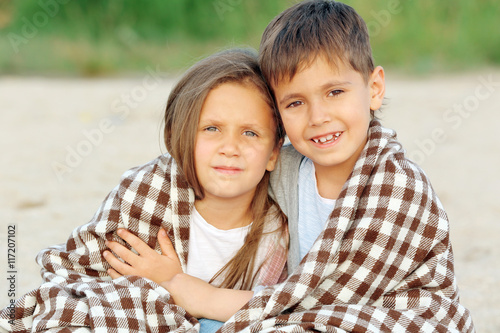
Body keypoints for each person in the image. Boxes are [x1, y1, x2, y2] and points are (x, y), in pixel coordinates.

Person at [155, 1, 476, 332]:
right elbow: (214, 179)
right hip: (306, 318)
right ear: (278, 115)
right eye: (295, 103)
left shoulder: (399, 187)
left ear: (374, 89)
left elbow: (326, 301)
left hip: (392, 316)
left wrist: (199, 295)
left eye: (335, 92)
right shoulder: (288, 169)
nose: (318, 117)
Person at [0, 48, 288, 332]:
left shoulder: (278, 229)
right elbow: (87, 278)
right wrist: (154, 290)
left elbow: (283, 308)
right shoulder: (149, 190)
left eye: (250, 133)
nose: (230, 148)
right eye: (212, 129)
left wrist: (173, 283)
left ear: (274, 153)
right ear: (182, 137)